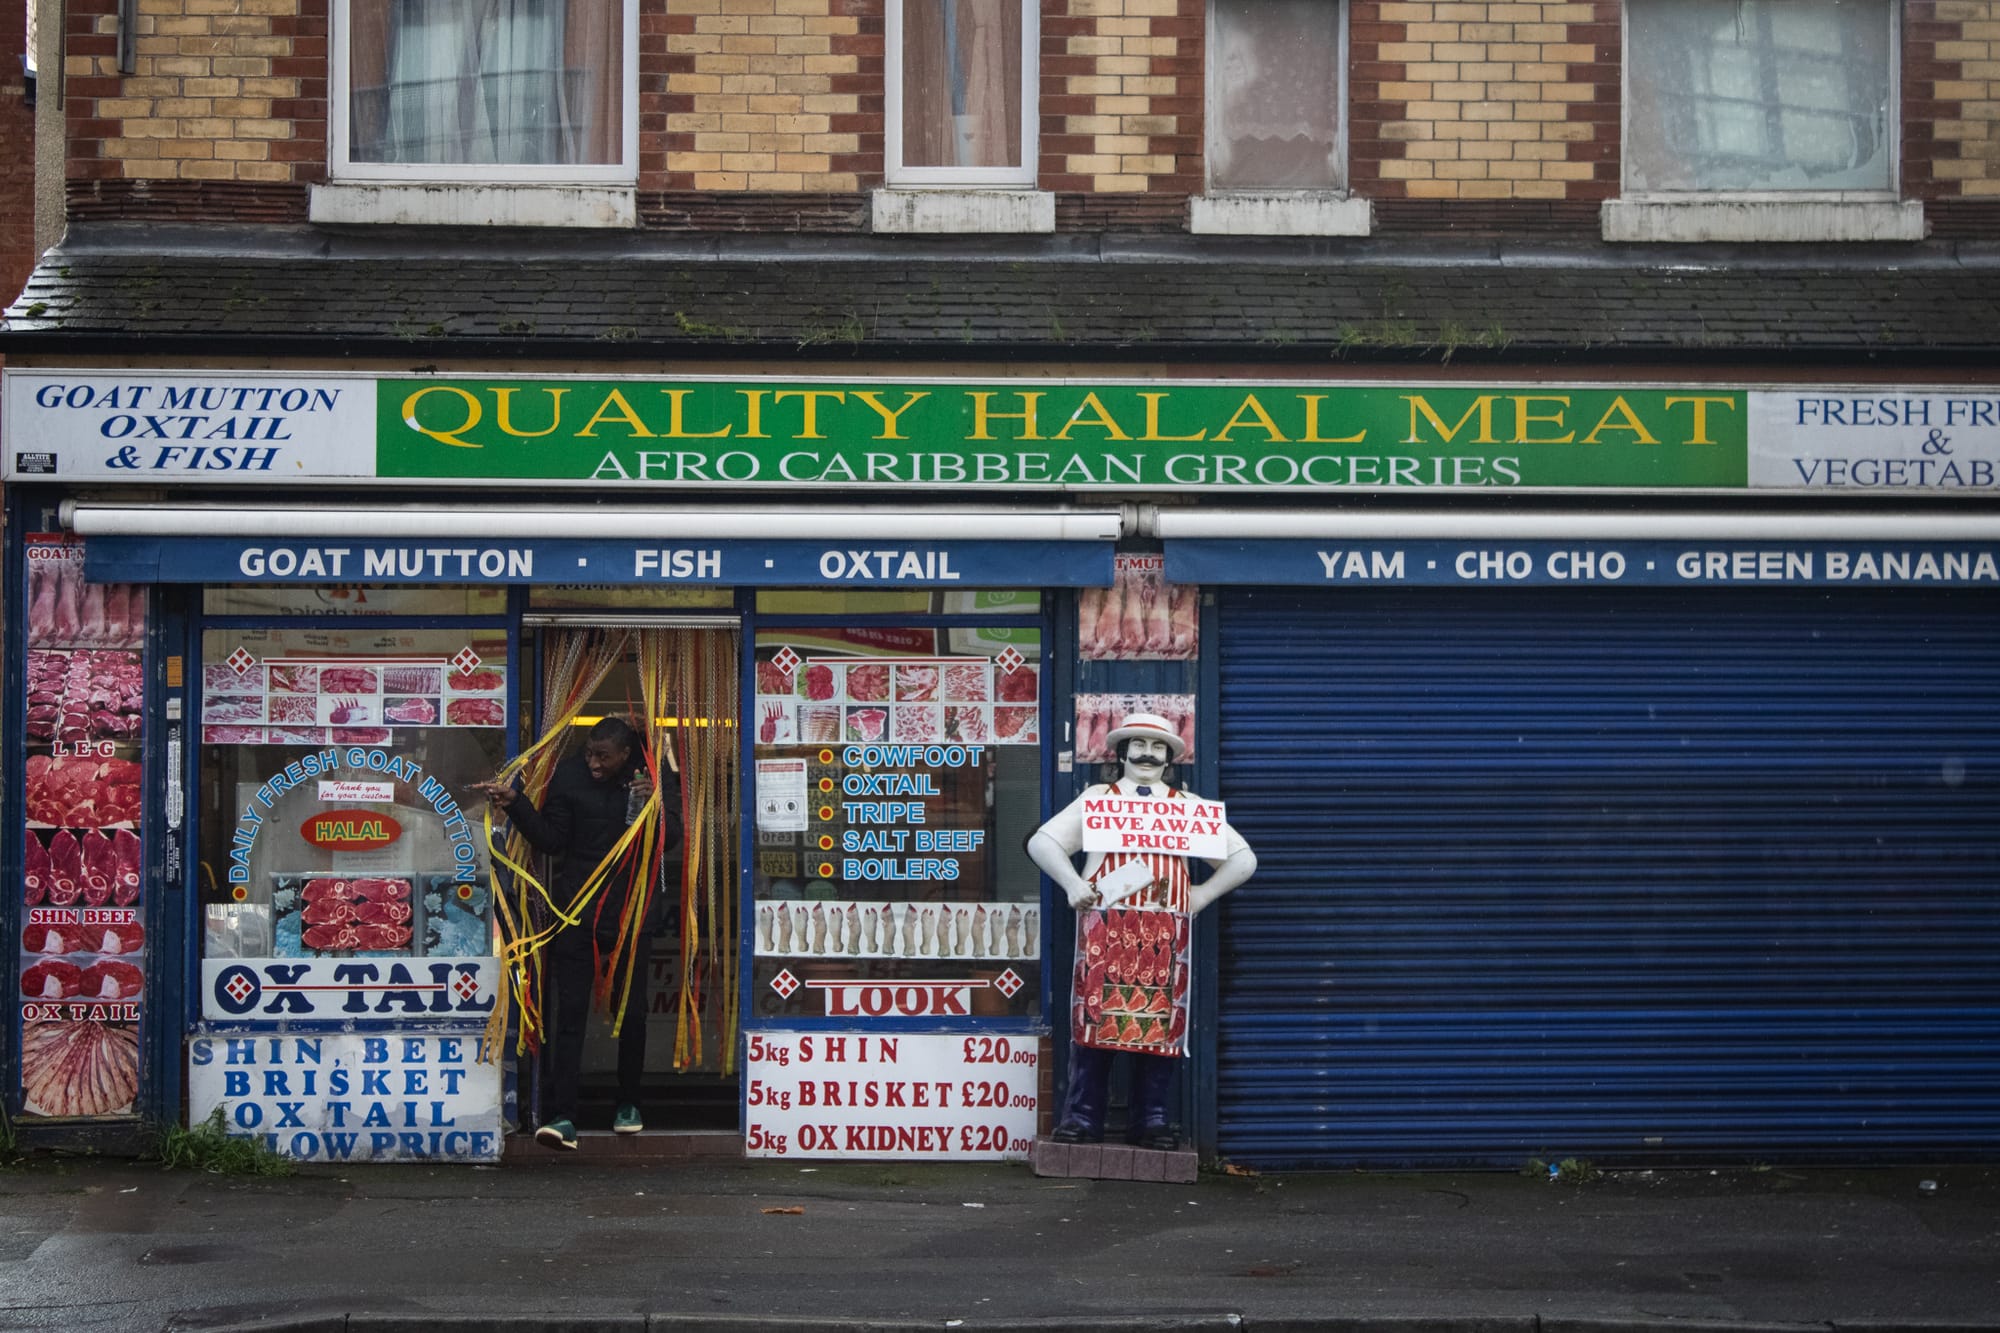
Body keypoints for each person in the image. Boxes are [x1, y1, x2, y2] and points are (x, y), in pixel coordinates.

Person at [1027, 711, 1256, 1151]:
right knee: (1095, 1020)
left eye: (1158, 748)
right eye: (1140, 745)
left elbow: (1243, 859)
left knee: (1160, 1024)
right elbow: (1043, 841)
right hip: (1105, 927)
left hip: (1167, 933)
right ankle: (1082, 1116)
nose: (1148, 754)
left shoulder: (1188, 809)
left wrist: (1202, 895)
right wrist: (1074, 884)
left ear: (1170, 757)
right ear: (1122, 752)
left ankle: (1151, 1119)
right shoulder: (1099, 798)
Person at [474, 716, 683, 1151]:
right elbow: (551, 840)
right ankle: (562, 1115)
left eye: (603, 757)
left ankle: (629, 1105)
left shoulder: (651, 774)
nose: (593, 763)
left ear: (625, 755)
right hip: (575, 910)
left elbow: (673, 841)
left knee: (634, 1013)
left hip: (632, 909)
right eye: (589, 752)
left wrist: (655, 808)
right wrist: (516, 803)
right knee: (568, 1014)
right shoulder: (569, 775)